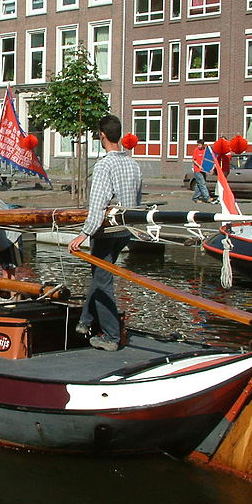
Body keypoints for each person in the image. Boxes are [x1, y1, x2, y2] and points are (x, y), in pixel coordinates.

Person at [68, 115, 142, 352]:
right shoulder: (133, 163)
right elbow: (137, 198)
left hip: (106, 230)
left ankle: (110, 337)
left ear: (102, 135)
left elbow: (99, 204)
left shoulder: (104, 165)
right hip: (125, 229)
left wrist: (84, 233)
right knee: (101, 276)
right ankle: (85, 321)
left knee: (102, 282)